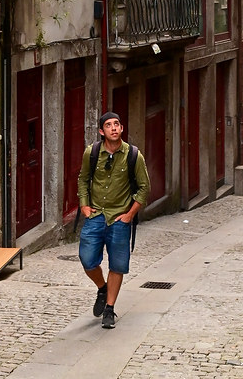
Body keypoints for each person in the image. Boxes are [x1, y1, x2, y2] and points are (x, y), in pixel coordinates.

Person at [77, 110, 150, 329]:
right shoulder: (92, 153)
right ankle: (102, 287)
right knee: (87, 259)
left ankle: (109, 308)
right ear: (102, 131)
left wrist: (129, 215)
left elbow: (145, 188)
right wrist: (84, 205)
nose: (114, 128)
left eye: (117, 124)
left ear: (122, 128)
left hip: (120, 217)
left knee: (118, 264)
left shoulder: (133, 155)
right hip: (96, 215)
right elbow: (83, 179)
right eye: (109, 125)